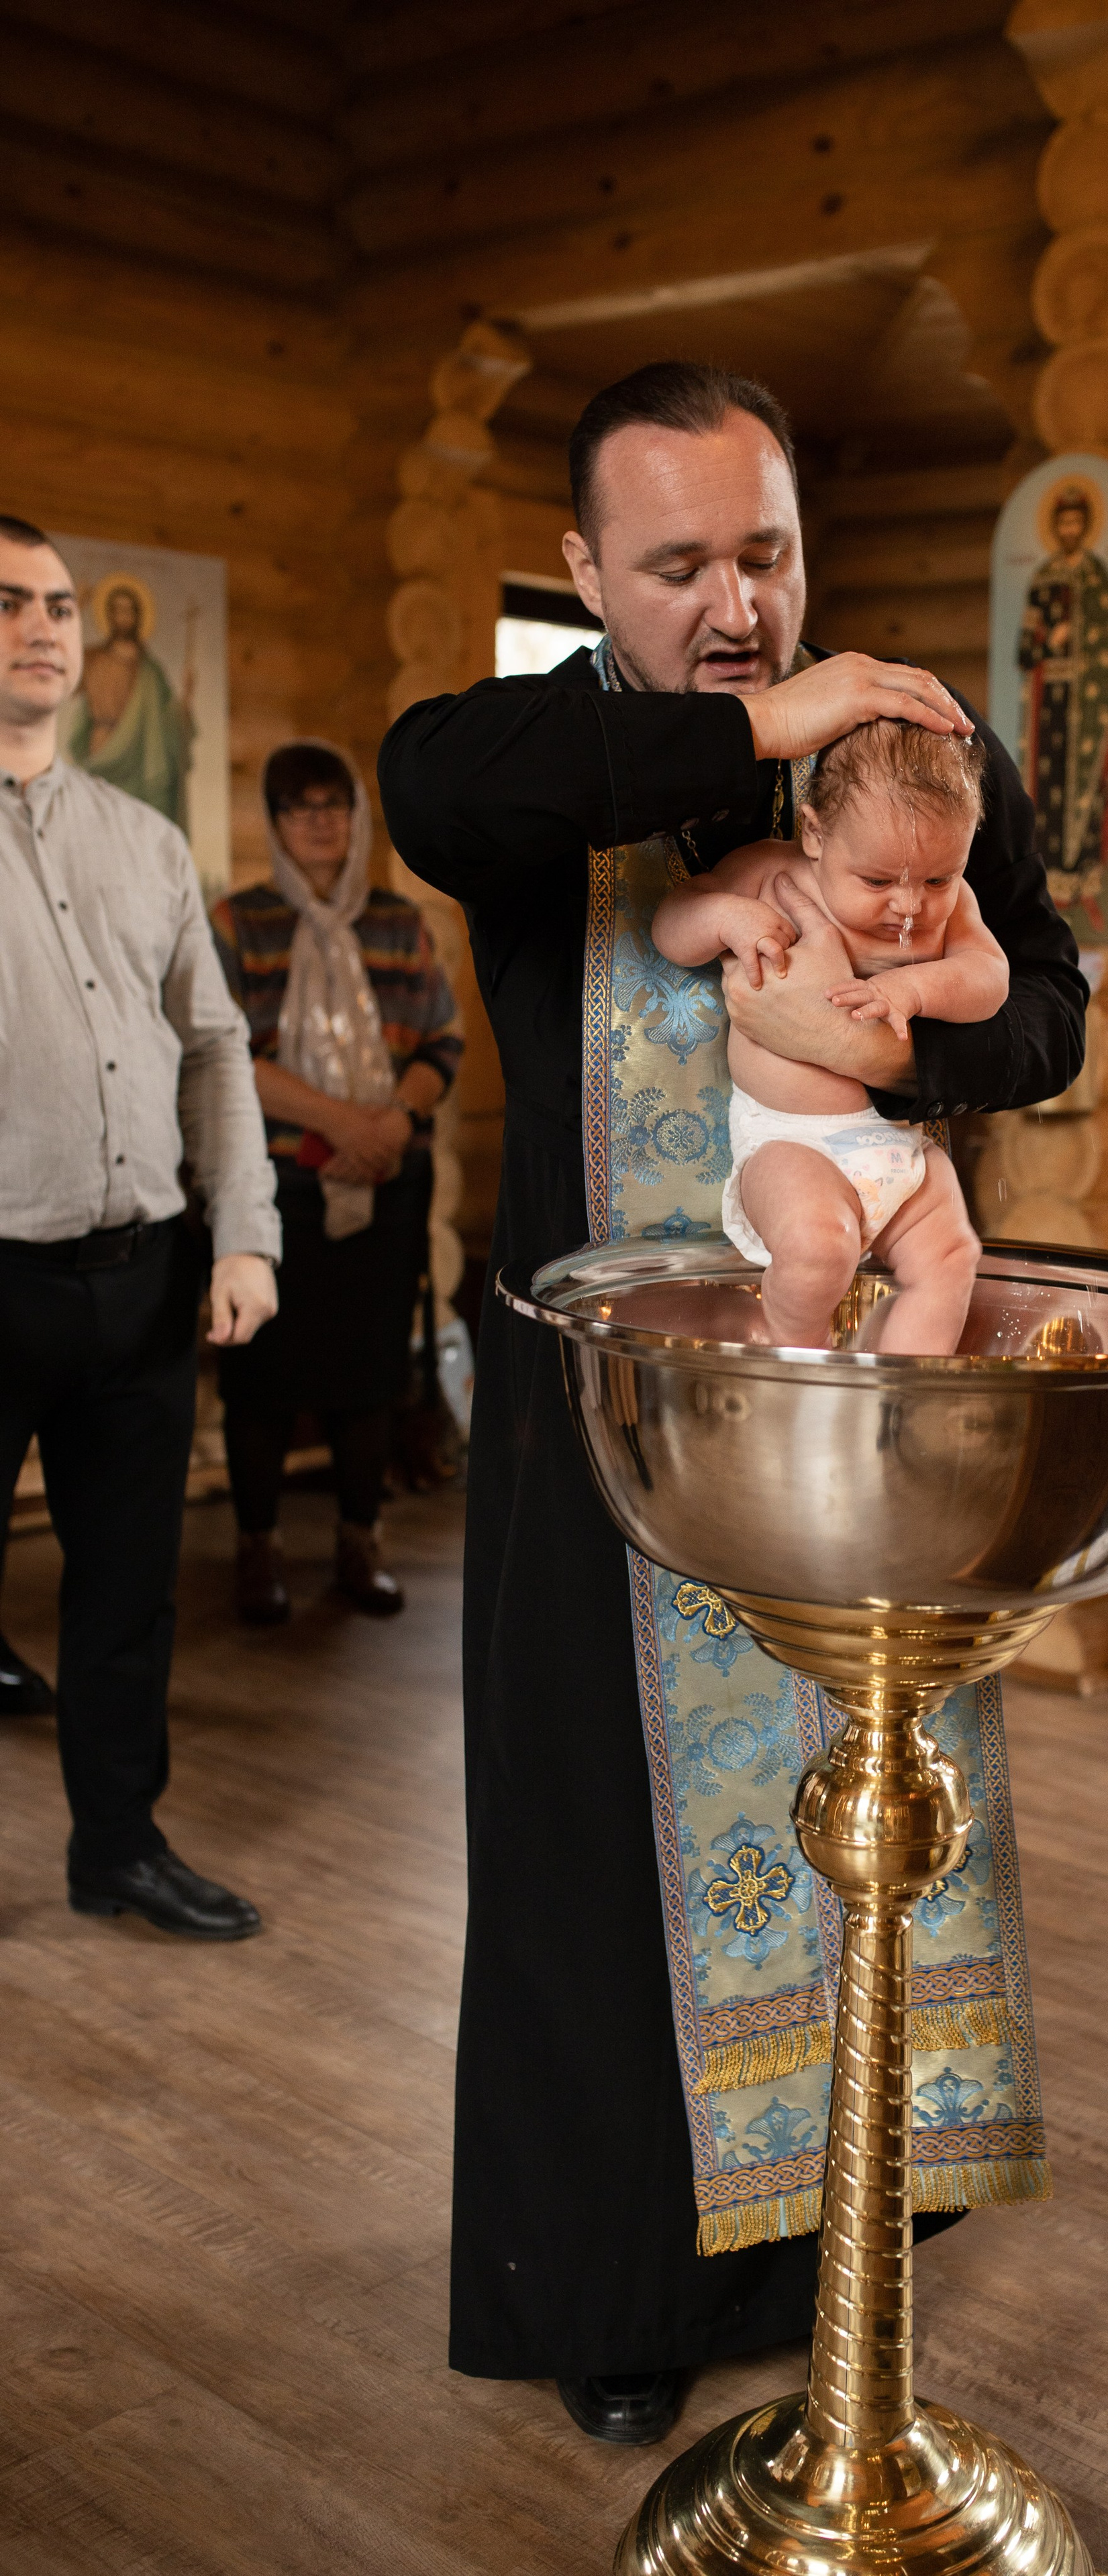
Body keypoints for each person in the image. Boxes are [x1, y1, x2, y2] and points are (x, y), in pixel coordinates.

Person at [377, 361, 1086, 2447]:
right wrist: (753, 731)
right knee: (593, 1858)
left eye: (764, 554)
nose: (737, 601)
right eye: (679, 563)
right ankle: (610, 2289)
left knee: (858, 1829)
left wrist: (910, 1028)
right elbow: (437, 786)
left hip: (859, 1405)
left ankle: (818, 2252)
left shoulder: (922, 761)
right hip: (600, 1423)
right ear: (592, 571)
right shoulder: (546, 765)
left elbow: (1044, 999)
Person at [0, 514, 279, 1941]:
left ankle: (118, 1847)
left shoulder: (148, 841)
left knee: (123, 1597)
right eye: (9, 603)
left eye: (56, 602)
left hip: (150, 1280)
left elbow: (216, 1047)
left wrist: (245, 1238)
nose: (44, 625)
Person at [210, 741, 462, 1623]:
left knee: (369, 1375)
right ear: (276, 825)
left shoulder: (399, 923)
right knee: (263, 1381)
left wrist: (390, 1123)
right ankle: (258, 1554)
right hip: (278, 1188)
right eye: (299, 806)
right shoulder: (237, 922)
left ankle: (361, 1547)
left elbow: (442, 1044)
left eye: (335, 805)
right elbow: (225, 1055)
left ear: (356, 820)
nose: (320, 821)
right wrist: (342, 1122)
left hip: (387, 1180)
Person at [652, 719, 1003, 1351]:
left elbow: (990, 977)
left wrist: (916, 989)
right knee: (817, 1248)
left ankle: (899, 1397)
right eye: (876, 881)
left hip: (902, 1146)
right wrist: (726, 915)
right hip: (793, 1142)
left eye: (937, 880)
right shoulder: (771, 874)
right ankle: (798, 1367)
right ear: (815, 834)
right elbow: (672, 925)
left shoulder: (952, 908)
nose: (909, 906)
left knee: (951, 1256)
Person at [1017, 483, 1108, 926]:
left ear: (1084, 527)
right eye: (1063, 523)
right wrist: (1049, 641)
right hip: (1052, 703)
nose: (1069, 530)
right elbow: (1025, 652)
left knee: (1086, 792)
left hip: (1090, 702)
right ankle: (1048, 888)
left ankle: (1083, 885)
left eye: (1076, 523)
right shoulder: (1043, 579)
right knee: (1049, 795)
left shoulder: (1096, 577)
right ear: (1055, 528)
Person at [64, 573, 195, 830]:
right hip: (102, 749)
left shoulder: (150, 671)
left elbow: (169, 721)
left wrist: (188, 698)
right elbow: (61, 679)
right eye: (117, 611)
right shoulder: (93, 659)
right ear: (109, 616)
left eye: (129, 611)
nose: (123, 617)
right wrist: (73, 613)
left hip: (143, 764)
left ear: (138, 617)